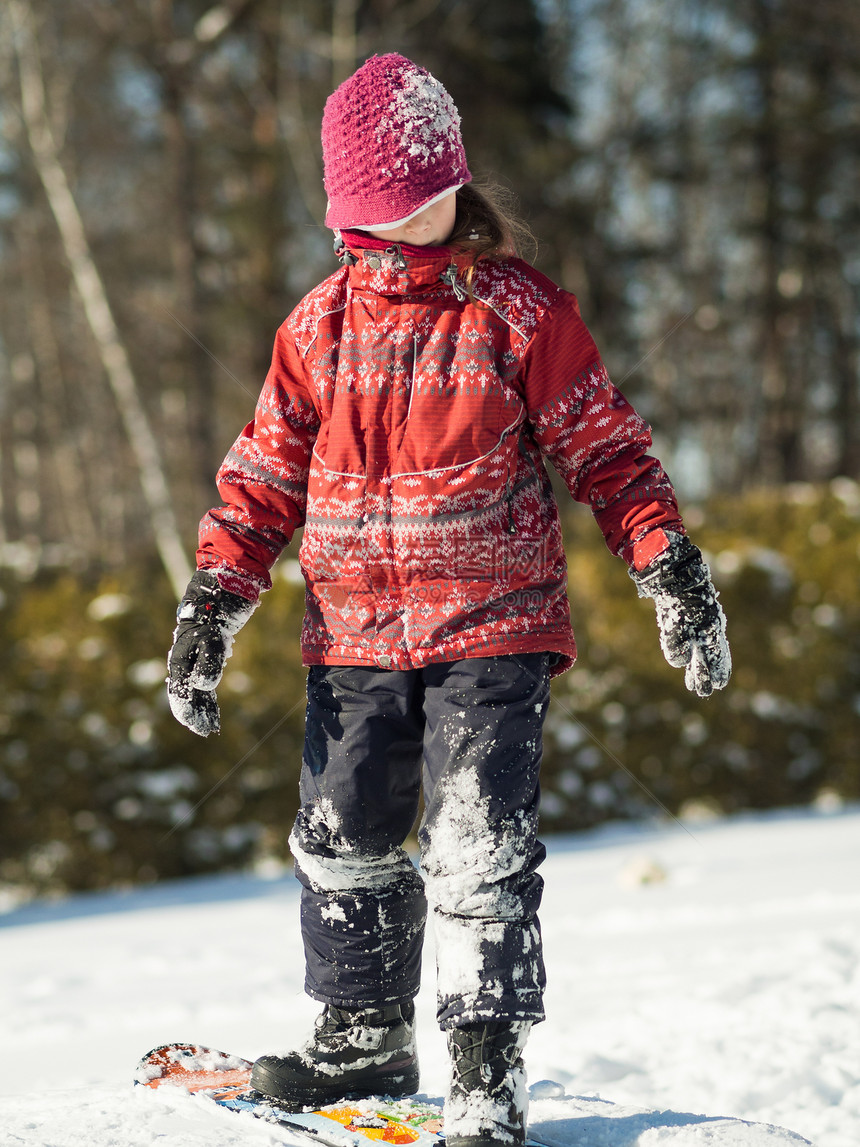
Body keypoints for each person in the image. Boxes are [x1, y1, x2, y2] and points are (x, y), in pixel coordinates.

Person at [167, 53, 731, 1147]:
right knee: (342, 833)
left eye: (432, 199)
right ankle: (364, 1031)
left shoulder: (515, 312)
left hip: (493, 628)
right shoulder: (316, 330)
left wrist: (668, 567)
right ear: (347, 212)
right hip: (353, 639)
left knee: (478, 846)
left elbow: (609, 456)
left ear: (458, 186)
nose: (417, 222)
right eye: (390, 208)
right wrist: (211, 602)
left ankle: (483, 1063)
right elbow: (263, 480)